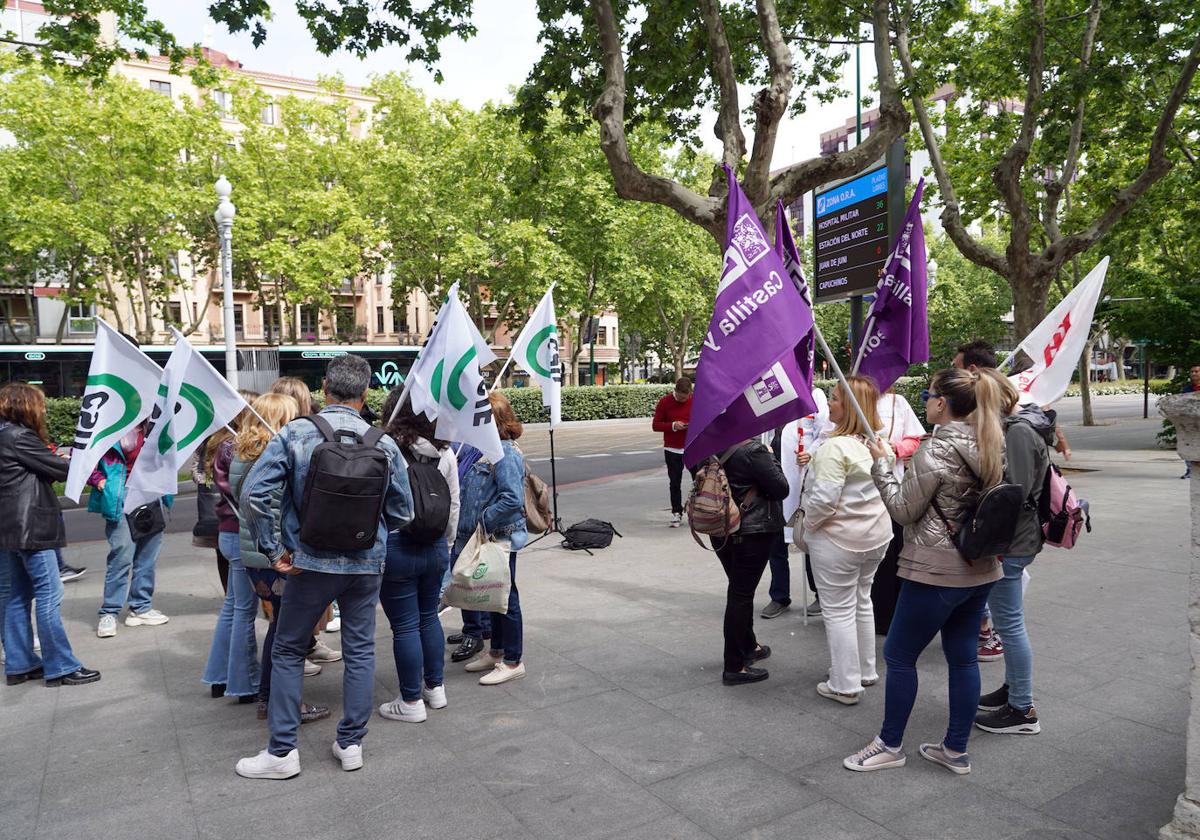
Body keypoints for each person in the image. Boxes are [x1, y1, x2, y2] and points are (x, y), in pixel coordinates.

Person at [235, 355, 412, 779]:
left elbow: (254, 495)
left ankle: (282, 753)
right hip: (366, 565)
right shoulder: (383, 442)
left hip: (308, 562)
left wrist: (274, 548)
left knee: (288, 649)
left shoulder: (298, 433)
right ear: (365, 393)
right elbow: (404, 510)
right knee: (360, 650)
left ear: (324, 389)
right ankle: (351, 744)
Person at [844, 367, 1006, 775]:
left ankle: (890, 744)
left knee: (899, 656)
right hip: (981, 568)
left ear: (942, 403)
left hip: (935, 570)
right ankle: (954, 749)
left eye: (928, 395)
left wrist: (881, 465)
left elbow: (902, 510)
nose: (926, 401)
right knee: (964, 659)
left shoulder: (936, 451)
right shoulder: (991, 443)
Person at [229, 393, 330, 725]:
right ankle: (285, 703)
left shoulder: (242, 455)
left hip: (253, 558)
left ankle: (267, 697)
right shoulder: (276, 457)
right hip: (280, 556)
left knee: (279, 628)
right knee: (290, 635)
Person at [801, 377, 895, 704]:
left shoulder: (833, 448)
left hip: (837, 541)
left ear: (853, 407)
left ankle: (844, 683)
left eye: (836, 398)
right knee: (862, 601)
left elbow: (823, 501)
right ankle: (865, 671)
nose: (829, 402)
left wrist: (808, 527)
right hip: (876, 538)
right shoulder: (880, 445)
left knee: (839, 610)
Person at [0, 383, 100, 687]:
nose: (42, 410)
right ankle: (61, 666)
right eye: (40, 405)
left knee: (16, 596)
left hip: (8, 529)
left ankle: (20, 663)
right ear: (27, 406)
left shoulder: (4, 434)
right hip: (31, 528)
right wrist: (85, 459)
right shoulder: (19, 437)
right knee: (48, 594)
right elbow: (60, 469)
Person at [976, 369, 1054, 736]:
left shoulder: (1019, 431)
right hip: (1015, 540)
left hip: (1014, 541)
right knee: (1011, 623)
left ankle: (1022, 709)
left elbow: (1015, 494)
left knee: (1011, 626)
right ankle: (1014, 691)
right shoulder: (1020, 425)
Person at [377, 388, 460, 721]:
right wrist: (447, 545)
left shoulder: (385, 449)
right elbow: (453, 504)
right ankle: (435, 689)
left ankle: (410, 702)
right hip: (436, 546)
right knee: (429, 617)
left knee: (405, 626)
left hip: (397, 545)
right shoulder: (446, 453)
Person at [455, 393, 529, 686]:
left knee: (506, 598)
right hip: (488, 536)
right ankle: (496, 652)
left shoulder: (505, 453)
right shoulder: (488, 450)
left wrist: (483, 522)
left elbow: (512, 499)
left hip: (499, 536)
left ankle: (513, 660)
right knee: (494, 597)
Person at [709, 436, 789, 686]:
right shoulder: (754, 450)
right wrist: (770, 456)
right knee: (740, 595)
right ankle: (734, 666)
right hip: (751, 531)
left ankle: (748, 645)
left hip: (720, 528)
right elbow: (781, 489)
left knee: (740, 591)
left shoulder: (707, 445)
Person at [203, 397, 263, 703]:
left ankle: (219, 676)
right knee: (242, 611)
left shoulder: (223, 444)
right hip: (239, 535)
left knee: (233, 607)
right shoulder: (236, 447)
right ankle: (244, 683)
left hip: (227, 533)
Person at [88, 419, 171, 638]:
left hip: (151, 493)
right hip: (120, 495)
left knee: (148, 554)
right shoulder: (108, 425)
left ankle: (140, 607)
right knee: (121, 555)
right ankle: (109, 612)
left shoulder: (154, 426)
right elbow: (84, 461)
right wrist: (99, 481)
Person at [762, 387, 830, 620]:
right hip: (774, 477)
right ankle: (779, 596)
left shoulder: (814, 394)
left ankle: (820, 593)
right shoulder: (774, 392)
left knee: (808, 537)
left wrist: (811, 453)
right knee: (775, 540)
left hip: (802, 476)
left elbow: (825, 432)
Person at [869, 386, 926, 634]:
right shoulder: (854, 399)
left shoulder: (898, 402)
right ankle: (869, 614)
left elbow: (915, 439)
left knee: (893, 555)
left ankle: (891, 616)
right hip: (862, 494)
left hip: (893, 490)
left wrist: (894, 449)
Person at [652, 377, 693, 527]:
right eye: (681, 397)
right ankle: (677, 512)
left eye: (686, 397)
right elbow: (655, 425)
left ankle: (697, 510)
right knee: (675, 482)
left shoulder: (694, 400)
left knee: (699, 480)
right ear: (675, 391)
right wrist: (674, 425)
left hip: (692, 447)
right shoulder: (665, 402)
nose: (683, 400)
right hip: (672, 448)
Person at [1182, 365, 1199, 479]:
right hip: (1191, 422)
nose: (1194, 374)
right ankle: (1190, 470)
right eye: (1192, 371)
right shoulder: (1187, 389)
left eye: (1197, 371)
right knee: (1188, 446)